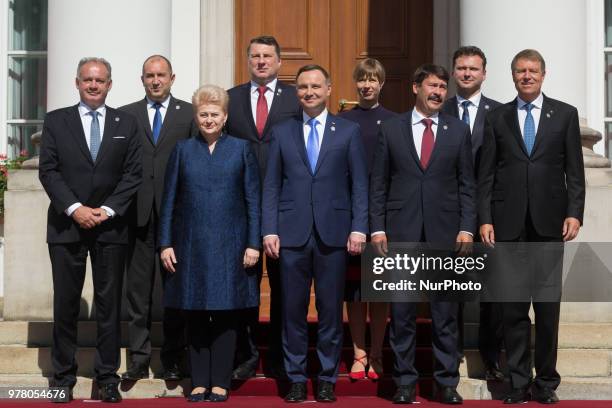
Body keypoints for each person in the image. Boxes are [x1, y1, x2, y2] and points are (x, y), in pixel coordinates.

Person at [478, 49, 585, 404]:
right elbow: (487, 174)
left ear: (543, 74)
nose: (527, 76)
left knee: (547, 307)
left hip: (550, 224)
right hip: (507, 226)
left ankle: (547, 383)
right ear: (512, 76)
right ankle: (519, 382)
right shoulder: (496, 117)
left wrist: (575, 212)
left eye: (533, 70)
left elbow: (575, 171)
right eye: (521, 71)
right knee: (512, 308)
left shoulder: (565, 115)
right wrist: (485, 218)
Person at [369, 64, 475, 405]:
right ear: (416, 87)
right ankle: (404, 381)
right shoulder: (392, 129)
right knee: (402, 312)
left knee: (445, 313)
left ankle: (445, 382)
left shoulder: (458, 131)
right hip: (401, 230)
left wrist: (466, 227)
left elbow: (467, 185)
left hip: (446, 232)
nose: (438, 92)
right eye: (433, 85)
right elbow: (379, 183)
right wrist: (377, 226)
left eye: (443, 87)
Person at [262, 65, 368, 403]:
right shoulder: (282, 132)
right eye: (303, 87)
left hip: (334, 234)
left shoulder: (347, 131)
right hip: (291, 235)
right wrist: (269, 230)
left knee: (330, 312)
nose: (309, 92)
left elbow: (360, 185)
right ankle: (295, 377)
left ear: (329, 89)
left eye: (315, 86)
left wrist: (358, 227)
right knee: (292, 310)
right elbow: (271, 186)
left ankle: (326, 377)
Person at [39, 57, 142, 403]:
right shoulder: (56, 121)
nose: (94, 85)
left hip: (110, 228)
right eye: (88, 80)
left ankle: (107, 376)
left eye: (100, 80)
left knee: (108, 305)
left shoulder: (125, 122)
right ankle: (63, 377)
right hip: (67, 226)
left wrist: (107, 210)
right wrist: (75, 209)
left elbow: (133, 173)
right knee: (65, 304)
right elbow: (49, 171)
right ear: (77, 83)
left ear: (110, 84)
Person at [158, 84, 261, 402]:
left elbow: (252, 200)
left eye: (215, 114)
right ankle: (199, 381)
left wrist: (253, 243)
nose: (209, 119)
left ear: (225, 116)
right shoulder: (183, 150)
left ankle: (220, 381)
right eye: (203, 114)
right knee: (196, 314)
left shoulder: (241, 149)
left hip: (232, 246)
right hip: (190, 245)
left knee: (228, 315)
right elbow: (170, 201)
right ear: (196, 116)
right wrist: (165, 243)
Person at [225, 35, 301, 379]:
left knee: (286, 287)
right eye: (254, 55)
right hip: (240, 206)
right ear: (248, 60)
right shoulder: (231, 98)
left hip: (285, 205)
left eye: (267, 56)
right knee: (245, 285)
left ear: (279, 61)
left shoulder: (295, 98)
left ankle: (281, 357)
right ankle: (246, 355)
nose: (260, 61)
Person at [120, 55, 197, 382]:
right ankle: (137, 360)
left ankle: (173, 359)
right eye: (150, 76)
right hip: (136, 216)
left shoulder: (188, 115)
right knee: (137, 293)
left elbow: (194, 163)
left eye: (161, 75)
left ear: (172, 78)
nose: (155, 81)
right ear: (142, 79)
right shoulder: (126, 115)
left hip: (175, 218)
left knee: (173, 292)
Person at [442, 46, 504, 381]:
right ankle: (449, 356)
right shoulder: (441, 109)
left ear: (484, 73)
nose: (467, 73)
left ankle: (490, 356)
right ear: (453, 72)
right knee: (450, 288)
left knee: (491, 291)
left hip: (489, 214)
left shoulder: (499, 113)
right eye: (461, 68)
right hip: (449, 213)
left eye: (473, 69)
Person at [339, 58, 396, 381]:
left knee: (380, 289)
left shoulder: (394, 122)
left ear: (381, 84)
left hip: (385, 216)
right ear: (355, 83)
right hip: (351, 217)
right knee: (355, 291)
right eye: (362, 79)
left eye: (373, 79)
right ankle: (359, 352)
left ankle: (377, 353)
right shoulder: (342, 122)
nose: (367, 85)